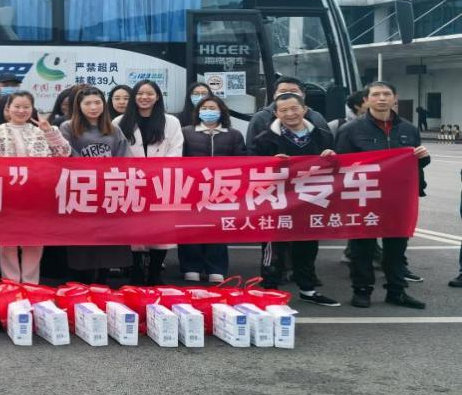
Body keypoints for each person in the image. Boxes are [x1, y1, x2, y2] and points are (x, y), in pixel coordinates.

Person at [336, 81, 430, 309]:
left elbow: (414, 165)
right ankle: (362, 290)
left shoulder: (409, 129)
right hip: (363, 196)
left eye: (386, 94)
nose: (381, 99)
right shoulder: (351, 130)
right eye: (376, 94)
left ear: (395, 98)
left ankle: (396, 291)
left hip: (398, 198)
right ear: (366, 100)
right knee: (362, 247)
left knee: (396, 247)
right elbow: (339, 166)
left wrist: (423, 158)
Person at [252, 92, 341, 306]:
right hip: (277, 200)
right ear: (276, 113)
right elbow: (252, 167)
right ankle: (270, 290)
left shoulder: (322, 136)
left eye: (294, 108)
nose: (290, 114)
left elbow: (339, 167)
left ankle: (307, 289)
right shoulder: (264, 138)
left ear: (304, 109)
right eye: (283, 110)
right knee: (274, 246)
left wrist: (332, 158)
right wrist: (270, 162)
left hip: (310, 199)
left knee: (308, 245)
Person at [0, 90, 71, 282]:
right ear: (8, 108)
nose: (21, 111)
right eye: (17, 106)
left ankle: (31, 283)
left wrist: (49, 131)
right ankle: (10, 282)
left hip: (37, 194)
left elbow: (64, 153)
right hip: (7, 194)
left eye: (26, 107)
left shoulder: (41, 131)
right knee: (7, 241)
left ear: (32, 109)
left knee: (34, 241)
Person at [59, 86, 132, 281]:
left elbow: (125, 158)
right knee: (82, 242)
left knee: (107, 240)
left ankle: (103, 283)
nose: (93, 107)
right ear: (79, 106)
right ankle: (80, 284)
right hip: (81, 191)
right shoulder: (68, 127)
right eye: (88, 103)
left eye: (98, 102)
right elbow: (66, 154)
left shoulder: (114, 129)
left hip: (108, 191)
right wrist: (92, 172)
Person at [115, 79, 183, 284]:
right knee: (133, 230)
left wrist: (156, 172)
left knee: (160, 229)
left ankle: (155, 272)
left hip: (161, 182)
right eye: (140, 94)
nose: (144, 97)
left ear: (158, 97)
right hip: (131, 182)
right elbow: (116, 154)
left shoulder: (171, 122)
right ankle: (135, 270)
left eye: (150, 93)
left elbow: (176, 150)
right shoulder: (119, 122)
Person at [179, 95, 244, 283]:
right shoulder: (186, 132)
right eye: (204, 108)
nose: (208, 111)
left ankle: (216, 267)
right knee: (191, 227)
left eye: (213, 108)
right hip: (192, 188)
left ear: (222, 111)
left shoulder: (233, 135)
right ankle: (191, 266)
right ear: (198, 111)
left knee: (217, 228)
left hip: (222, 189)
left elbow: (242, 161)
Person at [246, 76, 328, 143]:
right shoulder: (260, 118)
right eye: (283, 91)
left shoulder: (316, 117)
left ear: (303, 96)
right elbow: (252, 151)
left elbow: (326, 144)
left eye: (293, 91)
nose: (288, 94)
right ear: (274, 96)